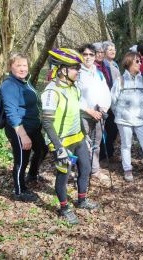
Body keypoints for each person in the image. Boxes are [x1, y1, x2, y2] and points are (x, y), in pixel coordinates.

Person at [42, 48, 99, 225]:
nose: (78, 71)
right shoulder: (52, 92)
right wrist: (59, 148)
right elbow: (47, 123)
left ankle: (81, 200)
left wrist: (85, 136)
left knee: (86, 169)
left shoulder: (74, 88)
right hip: (61, 141)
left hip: (77, 138)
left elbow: (75, 114)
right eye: (74, 68)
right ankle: (64, 208)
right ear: (62, 69)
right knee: (63, 177)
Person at [0, 53, 47, 201]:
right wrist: (23, 135)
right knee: (22, 160)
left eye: (24, 65)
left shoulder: (25, 81)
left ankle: (32, 174)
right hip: (19, 129)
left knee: (42, 149)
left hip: (33, 126)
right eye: (18, 65)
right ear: (10, 67)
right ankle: (20, 190)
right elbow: (11, 112)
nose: (22, 68)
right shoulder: (9, 85)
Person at [111, 52, 143, 181]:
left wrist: (140, 111)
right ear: (129, 62)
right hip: (124, 120)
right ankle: (127, 169)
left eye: (140, 61)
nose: (139, 63)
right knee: (126, 145)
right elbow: (113, 101)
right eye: (136, 61)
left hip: (141, 119)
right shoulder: (119, 81)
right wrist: (121, 114)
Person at [77, 44, 111, 184]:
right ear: (80, 56)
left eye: (91, 54)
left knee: (96, 143)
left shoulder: (98, 72)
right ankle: (84, 170)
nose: (88, 57)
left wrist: (104, 109)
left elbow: (106, 92)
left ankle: (95, 170)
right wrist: (88, 110)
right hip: (83, 115)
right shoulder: (77, 72)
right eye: (85, 54)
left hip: (99, 115)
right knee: (85, 144)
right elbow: (74, 97)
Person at [93, 42, 118, 162]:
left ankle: (108, 150)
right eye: (98, 52)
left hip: (108, 104)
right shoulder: (92, 67)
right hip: (95, 106)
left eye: (102, 52)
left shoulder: (106, 66)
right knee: (99, 133)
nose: (100, 54)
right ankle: (101, 155)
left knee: (112, 129)